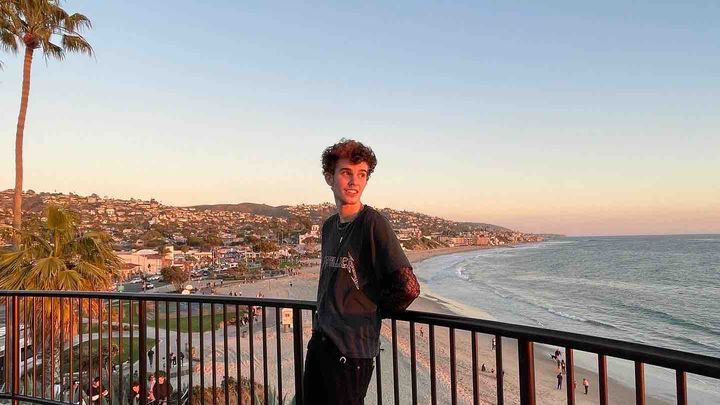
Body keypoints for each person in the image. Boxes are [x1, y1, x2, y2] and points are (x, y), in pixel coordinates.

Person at [302, 139, 420, 405]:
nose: (354, 181)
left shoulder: (373, 223)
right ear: (329, 177)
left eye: (362, 174)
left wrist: (374, 309)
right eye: (346, 173)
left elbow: (409, 287)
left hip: (351, 352)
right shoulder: (329, 226)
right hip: (321, 342)